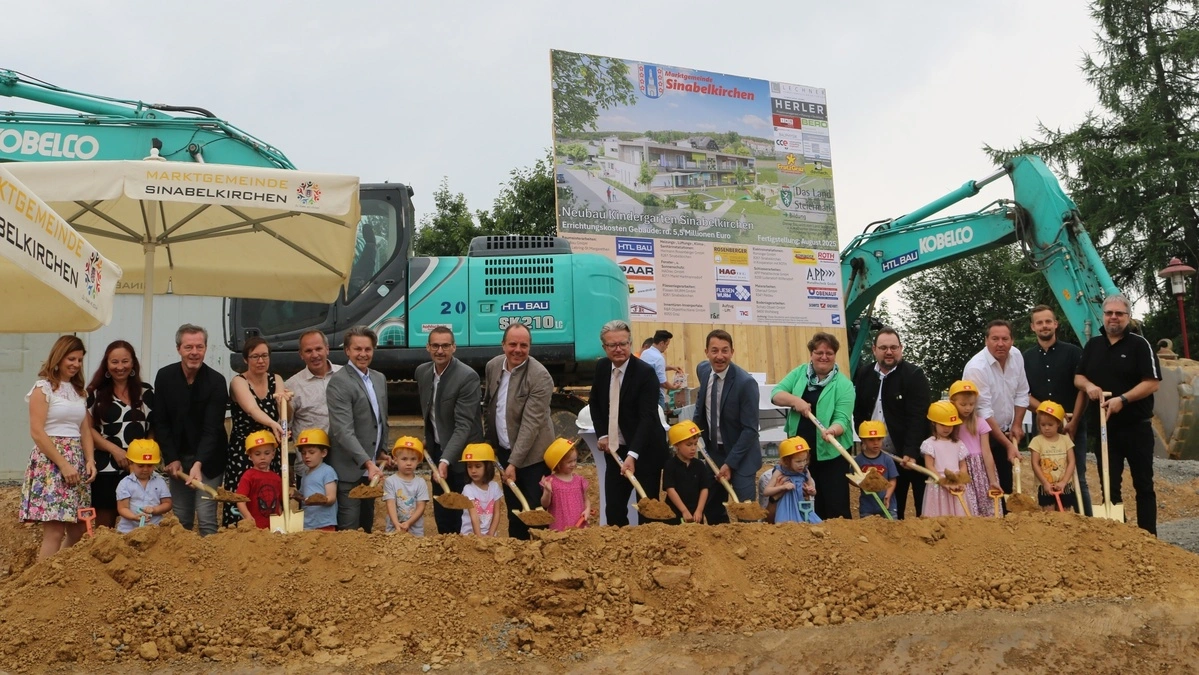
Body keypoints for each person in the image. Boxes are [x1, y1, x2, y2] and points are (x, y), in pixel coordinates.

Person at [1075, 294, 1162, 534]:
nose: (1113, 317)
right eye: (1109, 313)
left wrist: (1123, 400)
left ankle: (1148, 537)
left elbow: (1152, 382)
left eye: (1119, 313)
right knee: (1109, 485)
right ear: (1103, 316)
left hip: (1137, 427)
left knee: (1143, 484)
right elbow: (1078, 377)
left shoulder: (1139, 345)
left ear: (1128, 316)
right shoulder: (1093, 346)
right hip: (1105, 429)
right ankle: (1121, 535)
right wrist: (1089, 386)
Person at [587, 319, 669, 527]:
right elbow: (595, 403)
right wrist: (603, 435)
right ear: (604, 347)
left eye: (623, 343)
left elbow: (647, 417)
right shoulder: (602, 367)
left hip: (645, 451)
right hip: (616, 450)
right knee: (613, 509)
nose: (619, 349)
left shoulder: (645, 373)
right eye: (612, 345)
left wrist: (633, 455)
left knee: (647, 509)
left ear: (630, 343)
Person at [21, 335, 96, 560]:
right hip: (52, 463)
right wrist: (63, 465)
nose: (75, 364)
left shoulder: (79, 391)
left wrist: (90, 460)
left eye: (80, 360)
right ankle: (39, 585)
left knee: (77, 529)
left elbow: (85, 431)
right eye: (71, 358)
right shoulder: (42, 388)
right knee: (54, 530)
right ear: (58, 357)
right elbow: (37, 432)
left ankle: (54, 575)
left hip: (76, 461)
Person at [154, 324, 229, 536]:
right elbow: (160, 422)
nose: (194, 352)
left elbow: (212, 428)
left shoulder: (216, 381)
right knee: (181, 518)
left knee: (206, 517)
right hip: (178, 459)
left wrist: (199, 463)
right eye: (188, 347)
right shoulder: (164, 377)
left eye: (199, 346)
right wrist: (171, 458)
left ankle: (211, 565)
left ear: (206, 349)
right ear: (178, 348)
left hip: (209, 459)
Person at [771, 332, 855, 520]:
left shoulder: (844, 385)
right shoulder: (800, 373)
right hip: (800, 454)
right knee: (804, 497)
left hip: (830, 452)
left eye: (829, 353)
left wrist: (833, 429)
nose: (824, 357)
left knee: (834, 501)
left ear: (835, 355)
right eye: (819, 352)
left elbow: (842, 419)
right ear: (812, 354)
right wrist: (795, 401)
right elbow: (776, 394)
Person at [852, 327, 931, 518]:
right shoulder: (864, 374)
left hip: (909, 456)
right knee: (890, 508)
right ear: (874, 350)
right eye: (884, 347)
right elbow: (859, 411)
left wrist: (910, 452)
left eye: (894, 347)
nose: (889, 352)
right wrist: (865, 441)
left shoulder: (914, 375)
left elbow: (918, 417)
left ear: (901, 348)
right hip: (882, 457)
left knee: (923, 507)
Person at [484, 324, 553, 540]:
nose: (518, 350)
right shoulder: (493, 366)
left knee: (535, 512)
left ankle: (539, 559)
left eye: (524, 345)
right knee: (515, 511)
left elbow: (531, 424)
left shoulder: (540, 376)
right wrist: (491, 444)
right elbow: (489, 405)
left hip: (533, 457)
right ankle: (517, 558)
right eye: (512, 344)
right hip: (506, 452)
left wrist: (513, 463)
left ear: (530, 347)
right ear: (503, 345)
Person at [416, 326, 484, 534]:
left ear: (454, 347)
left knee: (462, 511)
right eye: (435, 345)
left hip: (463, 454)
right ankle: (445, 550)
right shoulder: (422, 372)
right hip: (438, 449)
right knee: (442, 506)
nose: (440, 351)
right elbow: (429, 412)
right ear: (428, 347)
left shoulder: (467, 377)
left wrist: (445, 460)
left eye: (445, 346)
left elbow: (463, 424)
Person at [1024, 305, 1091, 515]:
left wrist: (1073, 421)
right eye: (1039, 322)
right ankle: (1050, 530)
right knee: (1044, 479)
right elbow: (1022, 395)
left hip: (1073, 426)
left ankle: (1087, 524)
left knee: (1077, 477)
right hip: (1042, 430)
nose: (1044, 326)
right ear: (1033, 327)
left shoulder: (1073, 353)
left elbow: (1083, 389)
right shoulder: (1024, 358)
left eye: (1048, 321)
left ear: (1055, 324)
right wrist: (1052, 416)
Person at [85, 340, 154, 530]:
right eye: (114, 362)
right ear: (106, 364)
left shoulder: (146, 392)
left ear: (133, 363)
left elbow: (152, 428)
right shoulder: (94, 393)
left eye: (125, 361)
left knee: (136, 523)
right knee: (104, 527)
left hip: (137, 470)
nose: (120, 367)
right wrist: (115, 450)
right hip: (106, 468)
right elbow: (88, 429)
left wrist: (141, 458)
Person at [694, 329, 760, 524]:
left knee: (745, 512)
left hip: (742, 455)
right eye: (714, 351)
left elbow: (750, 430)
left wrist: (730, 463)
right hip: (714, 453)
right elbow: (701, 407)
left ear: (733, 351)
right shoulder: (704, 371)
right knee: (712, 508)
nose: (720, 356)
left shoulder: (746, 383)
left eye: (725, 351)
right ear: (706, 352)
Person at [326, 326, 387, 532]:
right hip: (349, 469)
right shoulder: (339, 382)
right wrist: (368, 462)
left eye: (367, 349)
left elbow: (380, 419)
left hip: (370, 470)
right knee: (349, 530)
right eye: (357, 349)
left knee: (367, 526)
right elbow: (343, 430)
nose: (363, 354)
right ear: (347, 351)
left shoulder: (379, 378)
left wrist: (382, 451)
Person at [224, 337, 289, 526]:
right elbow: (252, 409)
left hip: (269, 449)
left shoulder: (276, 378)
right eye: (255, 356)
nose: (261, 361)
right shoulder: (238, 381)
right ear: (246, 359)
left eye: (264, 356)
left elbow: (284, 413)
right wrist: (273, 424)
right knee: (243, 497)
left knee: (268, 496)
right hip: (244, 451)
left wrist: (285, 403)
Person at [962, 320, 1029, 498]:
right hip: (980, 437)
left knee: (1005, 486)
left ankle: (1005, 520)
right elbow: (984, 412)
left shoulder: (1017, 356)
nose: (1000, 344)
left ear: (1012, 340)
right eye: (995, 339)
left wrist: (1017, 425)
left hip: (1005, 430)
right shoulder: (976, 368)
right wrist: (1008, 445)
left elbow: (1022, 393)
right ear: (986, 340)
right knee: (984, 486)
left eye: (1005, 339)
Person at [285, 331, 341, 483]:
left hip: (344, 465)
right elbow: (284, 425)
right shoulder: (292, 385)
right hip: (311, 470)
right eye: (308, 351)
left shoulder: (345, 375)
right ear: (301, 354)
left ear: (327, 349)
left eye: (318, 349)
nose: (314, 355)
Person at [949, 380, 999, 517]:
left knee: (987, 505)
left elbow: (987, 453)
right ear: (953, 403)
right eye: (963, 404)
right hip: (962, 468)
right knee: (967, 505)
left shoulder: (980, 422)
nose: (967, 408)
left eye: (971, 404)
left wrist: (993, 480)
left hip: (980, 469)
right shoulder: (950, 426)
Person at [921, 401, 969, 517]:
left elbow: (962, 465)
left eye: (950, 425)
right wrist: (943, 482)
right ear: (933, 423)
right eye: (943, 425)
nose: (947, 428)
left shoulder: (958, 444)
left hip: (956, 484)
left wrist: (960, 480)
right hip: (938, 484)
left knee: (959, 517)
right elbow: (929, 466)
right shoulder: (929, 444)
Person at [114, 439, 172, 533]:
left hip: (155, 529)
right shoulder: (125, 484)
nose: (145, 469)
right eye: (141, 466)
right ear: (131, 463)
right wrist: (134, 517)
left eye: (149, 466)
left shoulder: (160, 481)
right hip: (128, 531)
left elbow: (167, 504)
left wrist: (154, 509)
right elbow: (122, 508)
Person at [1028, 401, 1075, 512]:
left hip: (1065, 485)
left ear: (1058, 423)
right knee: (1049, 515)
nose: (1046, 428)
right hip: (1046, 485)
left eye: (1050, 425)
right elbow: (1035, 463)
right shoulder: (1037, 441)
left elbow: (1071, 461)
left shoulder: (1065, 440)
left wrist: (1064, 482)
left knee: (1065, 514)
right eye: (1043, 425)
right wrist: (1045, 483)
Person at [662, 421, 712, 524]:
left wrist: (699, 510)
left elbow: (704, 488)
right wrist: (684, 511)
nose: (693, 448)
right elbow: (670, 489)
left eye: (695, 444)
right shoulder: (670, 465)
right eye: (689, 445)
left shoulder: (699, 465)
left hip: (696, 515)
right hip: (675, 514)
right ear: (676, 445)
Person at [762, 437, 820, 524]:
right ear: (786, 461)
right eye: (798, 461)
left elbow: (813, 491)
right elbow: (766, 491)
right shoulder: (780, 472)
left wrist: (810, 490)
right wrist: (782, 487)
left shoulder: (805, 471)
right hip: (786, 507)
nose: (802, 464)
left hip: (802, 508)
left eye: (805, 460)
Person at [236, 430, 283, 529]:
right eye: (257, 454)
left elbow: (279, 502)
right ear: (250, 456)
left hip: (274, 528)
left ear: (273, 454)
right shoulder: (248, 476)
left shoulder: (277, 478)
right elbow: (240, 500)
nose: (262, 457)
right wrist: (247, 516)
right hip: (255, 528)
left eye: (267, 453)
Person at [540, 438, 590, 531]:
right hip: (560, 527)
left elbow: (586, 499)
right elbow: (545, 504)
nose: (573, 464)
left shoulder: (579, 480)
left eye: (575, 460)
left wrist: (587, 510)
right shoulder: (550, 481)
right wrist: (547, 491)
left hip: (580, 525)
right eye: (569, 462)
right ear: (558, 464)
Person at [383, 436, 430, 536]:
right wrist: (396, 524)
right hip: (393, 529)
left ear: (418, 461)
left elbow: (421, 506)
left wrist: (408, 523)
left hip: (415, 531)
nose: (409, 463)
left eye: (413, 459)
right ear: (395, 459)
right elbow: (390, 504)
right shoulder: (390, 481)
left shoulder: (421, 483)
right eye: (404, 459)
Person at [296, 429, 338, 532]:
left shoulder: (327, 471)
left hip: (324, 523)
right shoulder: (305, 474)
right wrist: (296, 496)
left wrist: (318, 500)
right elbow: (304, 497)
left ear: (323, 453)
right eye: (303, 453)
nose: (307, 456)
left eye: (311, 452)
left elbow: (331, 497)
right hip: (307, 523)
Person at [854, 421, 898, 519]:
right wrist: (862, 482)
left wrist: (888, 495)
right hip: (868, 507)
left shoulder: (887, 459)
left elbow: (893, 479)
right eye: (871, 439)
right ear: (863, 440)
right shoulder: (859, 460)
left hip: (887, 505)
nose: (876, 443)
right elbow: (852, 479)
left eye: (879, 439)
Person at [460, 443, 502, 536]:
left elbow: (497, 513)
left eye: (478, 466)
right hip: (470, 537)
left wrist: (491, 534)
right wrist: (479, 538)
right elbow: (473, 515)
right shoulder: (468, 489)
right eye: (469, 466)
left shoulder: (495, 487)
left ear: (488, 467)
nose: (473, 470)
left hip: (489, 537)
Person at [640, 329, 684, 409]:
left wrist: (671, 367)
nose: (667, 347)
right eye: (667, 345)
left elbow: (653, 369)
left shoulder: (645, 353)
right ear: (661, 343)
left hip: (644, 392)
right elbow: (663, 382)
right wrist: (673, 387)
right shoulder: (659, 358)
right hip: (656, 394)